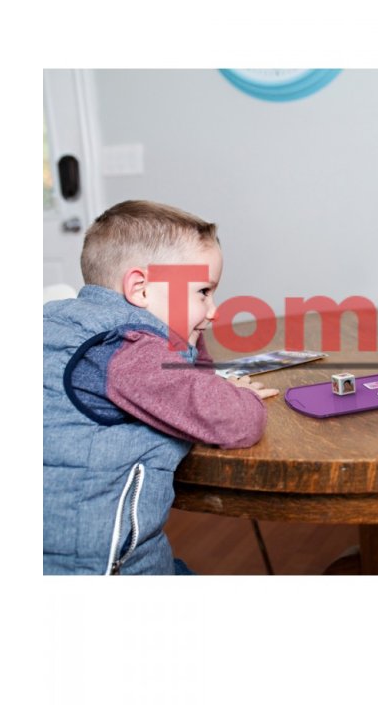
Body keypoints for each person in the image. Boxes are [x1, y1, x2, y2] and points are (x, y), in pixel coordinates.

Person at [43, 200, 278, 575]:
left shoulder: (62, 320)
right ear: (140, 290)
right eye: (203, 292)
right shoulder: (127, 351)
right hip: (102, 569)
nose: (213, 310)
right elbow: (237, 422)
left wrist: (188, 331)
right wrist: (244, 397)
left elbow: (190, 379)